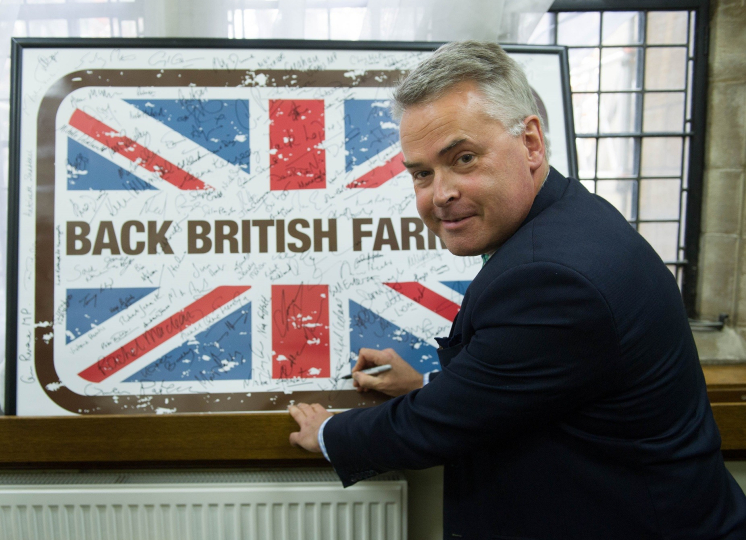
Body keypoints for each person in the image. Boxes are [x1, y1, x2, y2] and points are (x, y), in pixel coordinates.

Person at [288, 40, 746, 539]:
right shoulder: (568, 218)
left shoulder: (553, 276)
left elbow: (436, 428)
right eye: (422, 173)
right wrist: (424, 385)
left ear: (530, 143)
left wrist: (328, 431)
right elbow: (534, 385)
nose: (440, 194)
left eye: (463, 158)